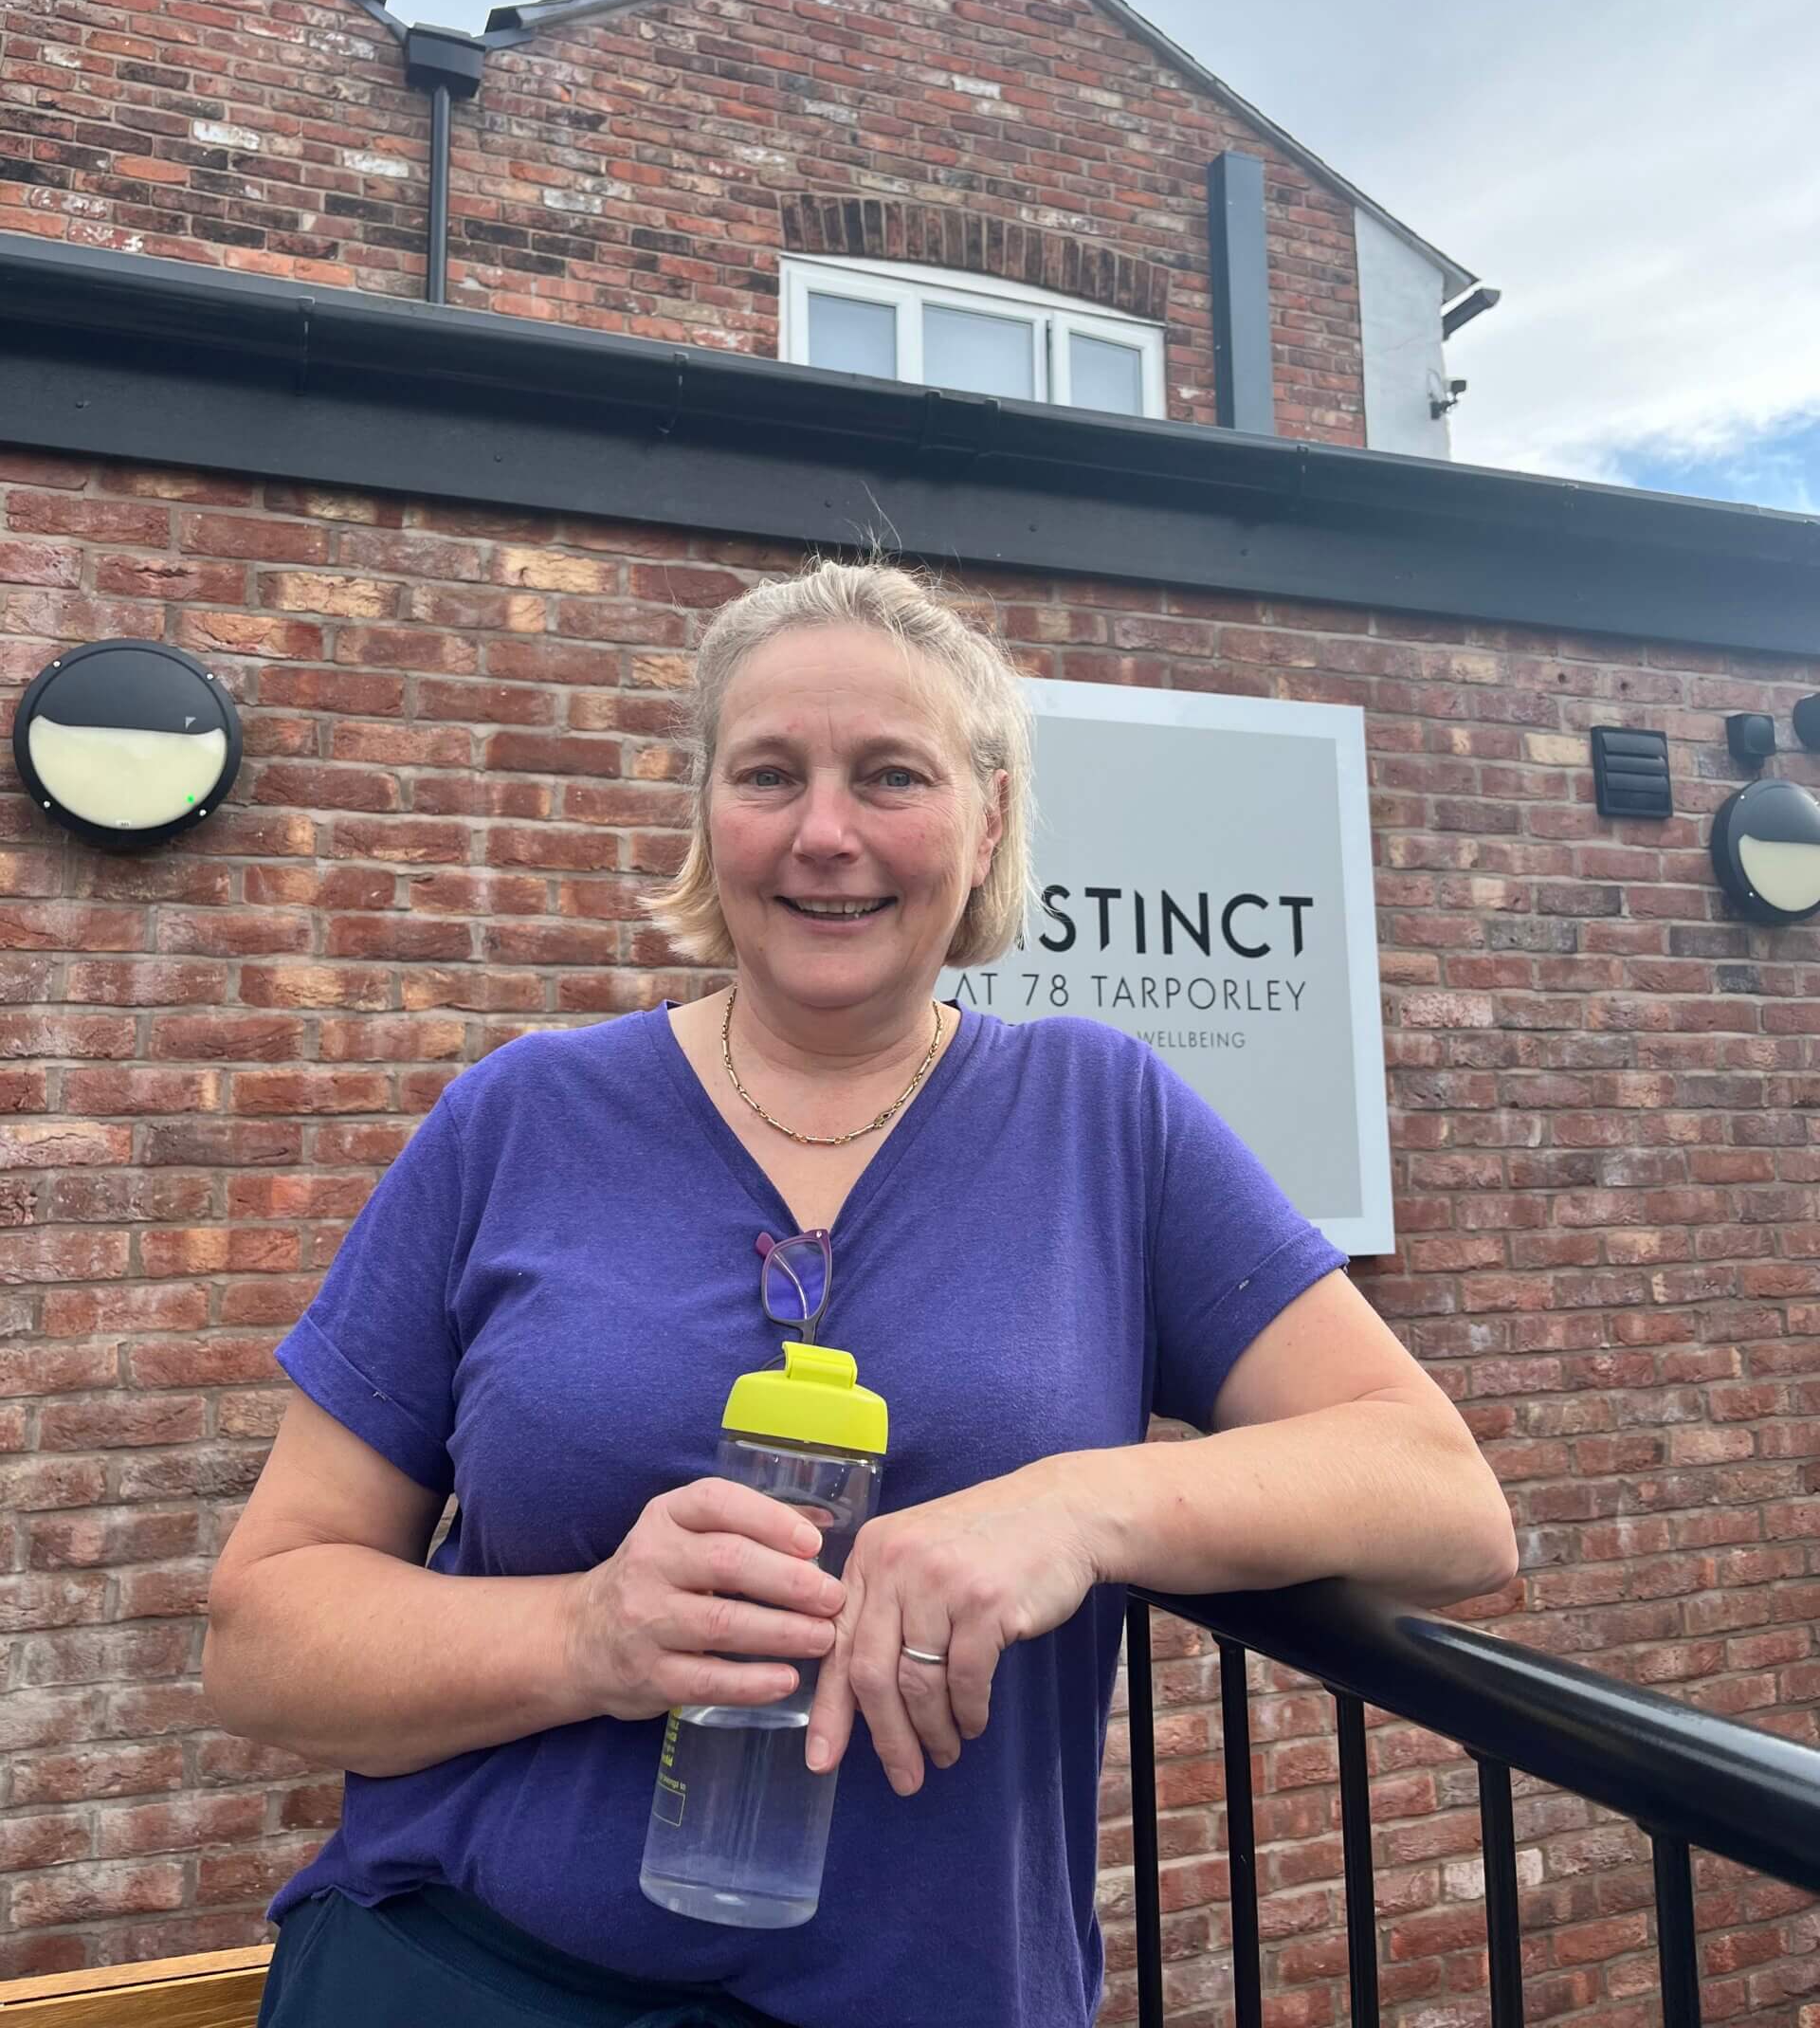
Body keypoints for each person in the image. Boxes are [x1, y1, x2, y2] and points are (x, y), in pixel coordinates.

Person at [206, 555, 1517, 2028]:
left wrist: (1075, 1509)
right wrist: (584, 1636)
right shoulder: (520, 1119)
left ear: (988, 818)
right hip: (470, 1976)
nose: (824, 833)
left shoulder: (1101, 1119)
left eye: (891, 775)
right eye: (770, 774)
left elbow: (1442, 1499)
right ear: (709, 810)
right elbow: (261, 1639)